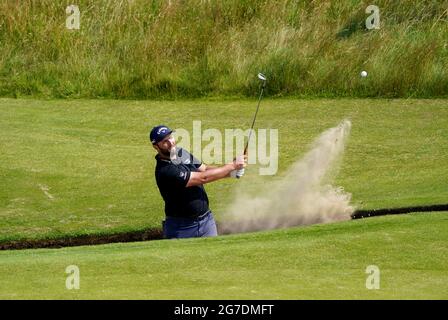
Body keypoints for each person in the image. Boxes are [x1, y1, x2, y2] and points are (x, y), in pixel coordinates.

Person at [150, 125, 246, 239]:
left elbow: (204, 169)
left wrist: (231, 173)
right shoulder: (166, 170)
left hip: (207, 222)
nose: (171, 143)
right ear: (156, 146)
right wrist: (231, 166)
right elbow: (202, 178)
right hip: (181, 228)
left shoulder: (181, 153)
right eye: (165, 141)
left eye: (170, 137)